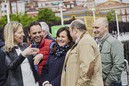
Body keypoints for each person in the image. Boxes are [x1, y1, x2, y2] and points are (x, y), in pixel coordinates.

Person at [61, 19, 103, 86]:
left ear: (74, 31)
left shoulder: (85, 42)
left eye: (70, 32)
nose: (70, 35)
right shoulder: (83, 41)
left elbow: (87, 69)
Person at [3, 21, 40, 86]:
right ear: (12, 34)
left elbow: (35, 61)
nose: (23, 34)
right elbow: (11, 67)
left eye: (22, 32)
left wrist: (39, 56)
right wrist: (23, 54)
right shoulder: (4, 50)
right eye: (20, 32)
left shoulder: (25, 45)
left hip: (33, 82)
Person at [92, 18, 125, 86]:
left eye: (97, 27)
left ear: (106, 27)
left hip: (112, 83)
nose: (94, 30)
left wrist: (108, 82)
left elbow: (119, 65)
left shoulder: (114, 43)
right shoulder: (97, 43)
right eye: (93, 28)